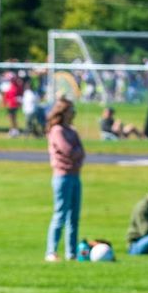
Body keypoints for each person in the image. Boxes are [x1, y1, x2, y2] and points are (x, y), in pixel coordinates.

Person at [44, 98, 85, 263]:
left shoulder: (72, 131)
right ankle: (51, 251)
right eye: (71, 110)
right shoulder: (57, 130)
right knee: (60, 214)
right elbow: (67, 150)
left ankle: (71, 252)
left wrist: (77, 153)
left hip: (75, 175)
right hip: (62, 176)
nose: (73, 113)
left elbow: (81, 151)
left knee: (74, 217)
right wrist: (76, 152)